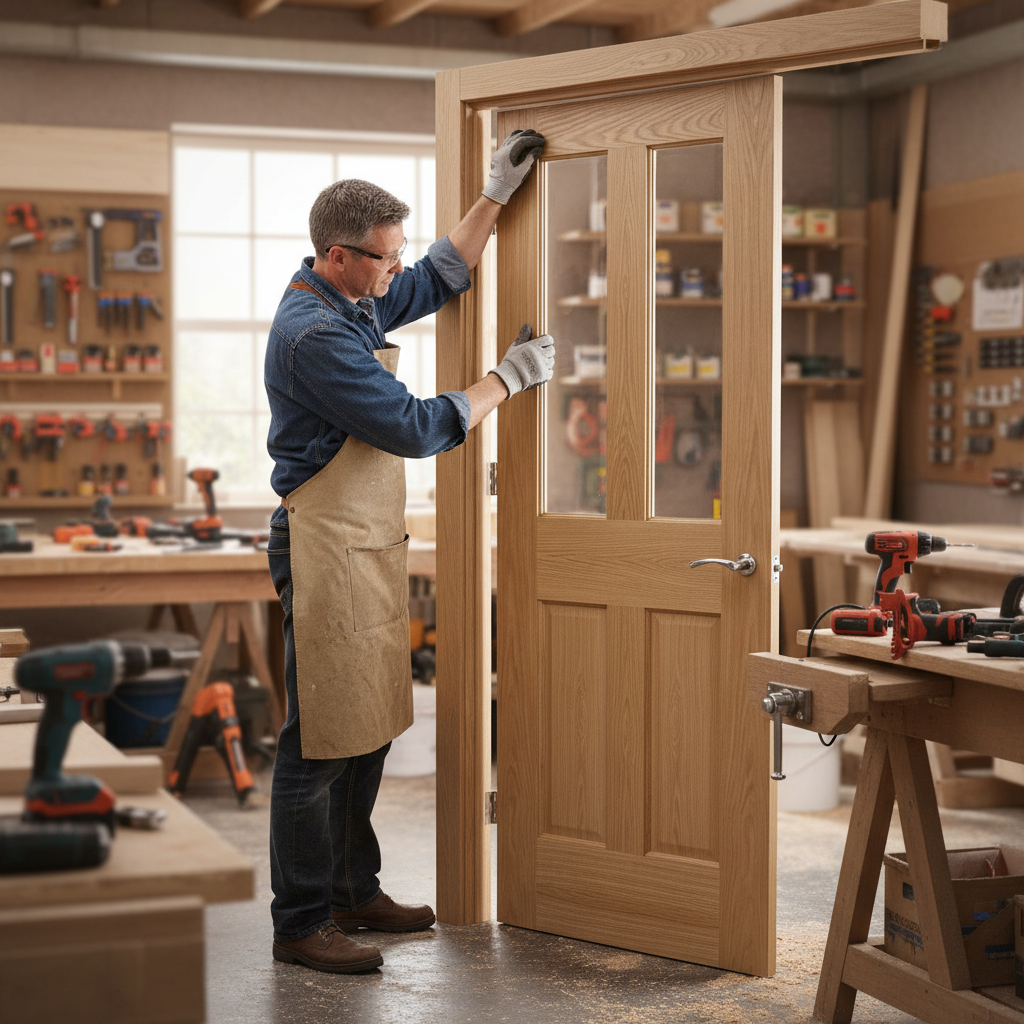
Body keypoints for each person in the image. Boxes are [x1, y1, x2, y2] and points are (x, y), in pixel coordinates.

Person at [264, 129, 552, 975]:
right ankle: (301, 922)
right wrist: (505, 379)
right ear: (337, 254)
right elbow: (413, 425)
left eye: (391, 258)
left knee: (368, 726)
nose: (395, 274)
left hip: (366, 541)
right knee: (318, 740)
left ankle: (355, 889)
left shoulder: (353, 297)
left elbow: (436, 275)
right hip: (322, 543)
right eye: (382, 261)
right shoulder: (314, 334)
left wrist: (494, 194)